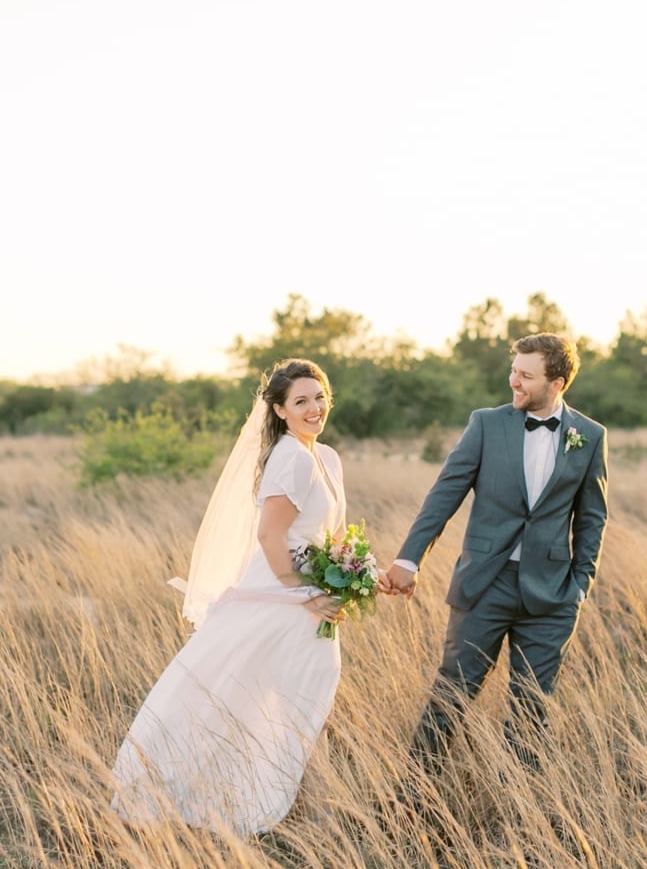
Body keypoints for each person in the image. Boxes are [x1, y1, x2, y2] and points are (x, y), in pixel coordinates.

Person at [110, 359, 360, 837]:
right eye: (301, 401)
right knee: (243, 697)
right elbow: (270, 536)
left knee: (294, 701)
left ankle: (297, 804)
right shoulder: (288, 457)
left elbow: (331, 535)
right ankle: (238, 800)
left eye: (319, 397)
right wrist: (307, 595)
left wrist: (354, 574)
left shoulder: (326, 457)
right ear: (281, 410)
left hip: (314, 600)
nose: (313, 408)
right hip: (282, 601)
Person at [382, 333, 608, 775]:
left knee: (531, 715)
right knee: (450, 699)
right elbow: (444, 495)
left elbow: (592, 517)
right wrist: (409, 560)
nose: (514, 381)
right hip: (484, 586)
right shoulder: (486, 424)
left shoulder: (590, 436)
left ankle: (520, 818)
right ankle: (410, 804)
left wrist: (580, 586)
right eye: (514, 371)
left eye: (526, 375)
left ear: (557, 382)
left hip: (551, 597)